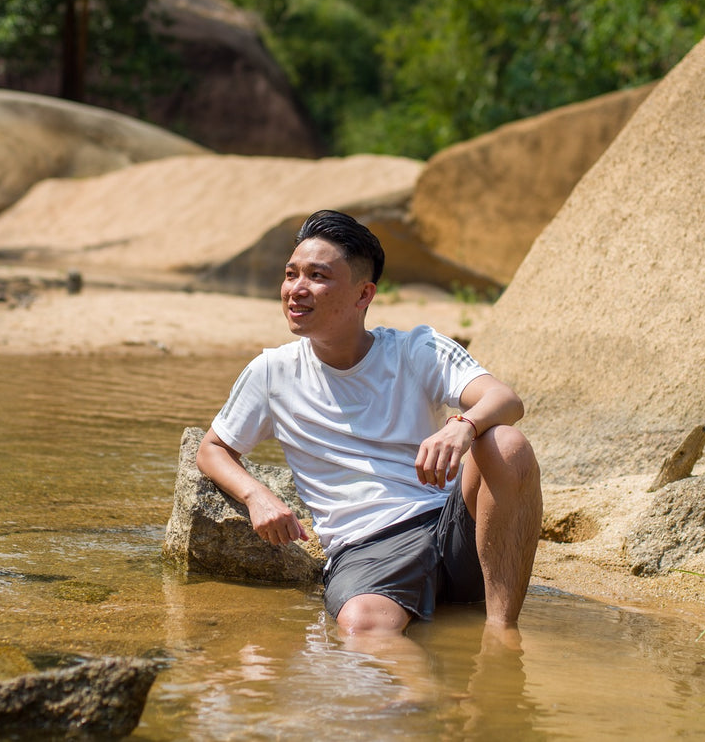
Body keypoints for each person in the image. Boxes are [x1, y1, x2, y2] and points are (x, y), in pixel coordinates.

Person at [196, 209, 542, 637]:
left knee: (505, 443)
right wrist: (256, 495)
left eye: (317, 276)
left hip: (455, 530)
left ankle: (501, 636)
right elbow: (212, 448)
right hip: (368, 548)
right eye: (290, 275)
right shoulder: (272, 373)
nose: (296, 290)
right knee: (362, 630)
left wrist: (462, 426)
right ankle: (437, 702)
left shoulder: (418, 350)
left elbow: (505, 399)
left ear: (364, 295)